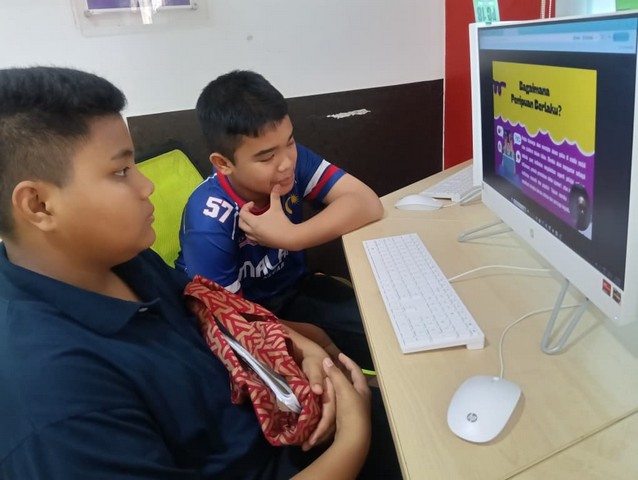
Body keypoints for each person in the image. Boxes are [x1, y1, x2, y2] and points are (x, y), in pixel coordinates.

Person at [0, 66, 372, 479]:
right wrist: (355, 434)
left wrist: (305, 348)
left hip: (289, 424)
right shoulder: (55, 399)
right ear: (38, 205)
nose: (147, 186)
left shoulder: (121, 260)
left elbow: (215, 306)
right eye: (121, 171)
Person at [175, 70, 384, 371]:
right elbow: (234, 323)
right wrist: (314, 338)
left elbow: (366, 203)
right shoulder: (208, 222)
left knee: (386, 328)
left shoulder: (293, 163)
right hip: (237, 322)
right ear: (223, 163)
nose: (286, 162)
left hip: (293, 291)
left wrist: (290, 237)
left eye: (290, 141)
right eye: (266, 157)